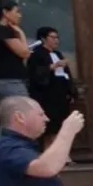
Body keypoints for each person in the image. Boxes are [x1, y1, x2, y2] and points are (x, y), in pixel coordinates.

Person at [27, 27, 76, 156]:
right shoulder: (37, 54)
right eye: (53, 37)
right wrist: (54, 66)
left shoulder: (58, 53)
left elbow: (66, 74)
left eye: (57, 38)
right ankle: (49, 153)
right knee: (49, 126)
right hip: (47, 95)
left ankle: (61, 154)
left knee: (61, 123)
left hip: (60, 93)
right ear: (43, 39)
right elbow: (35, 74)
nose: (56, 40)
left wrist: (71, 91)